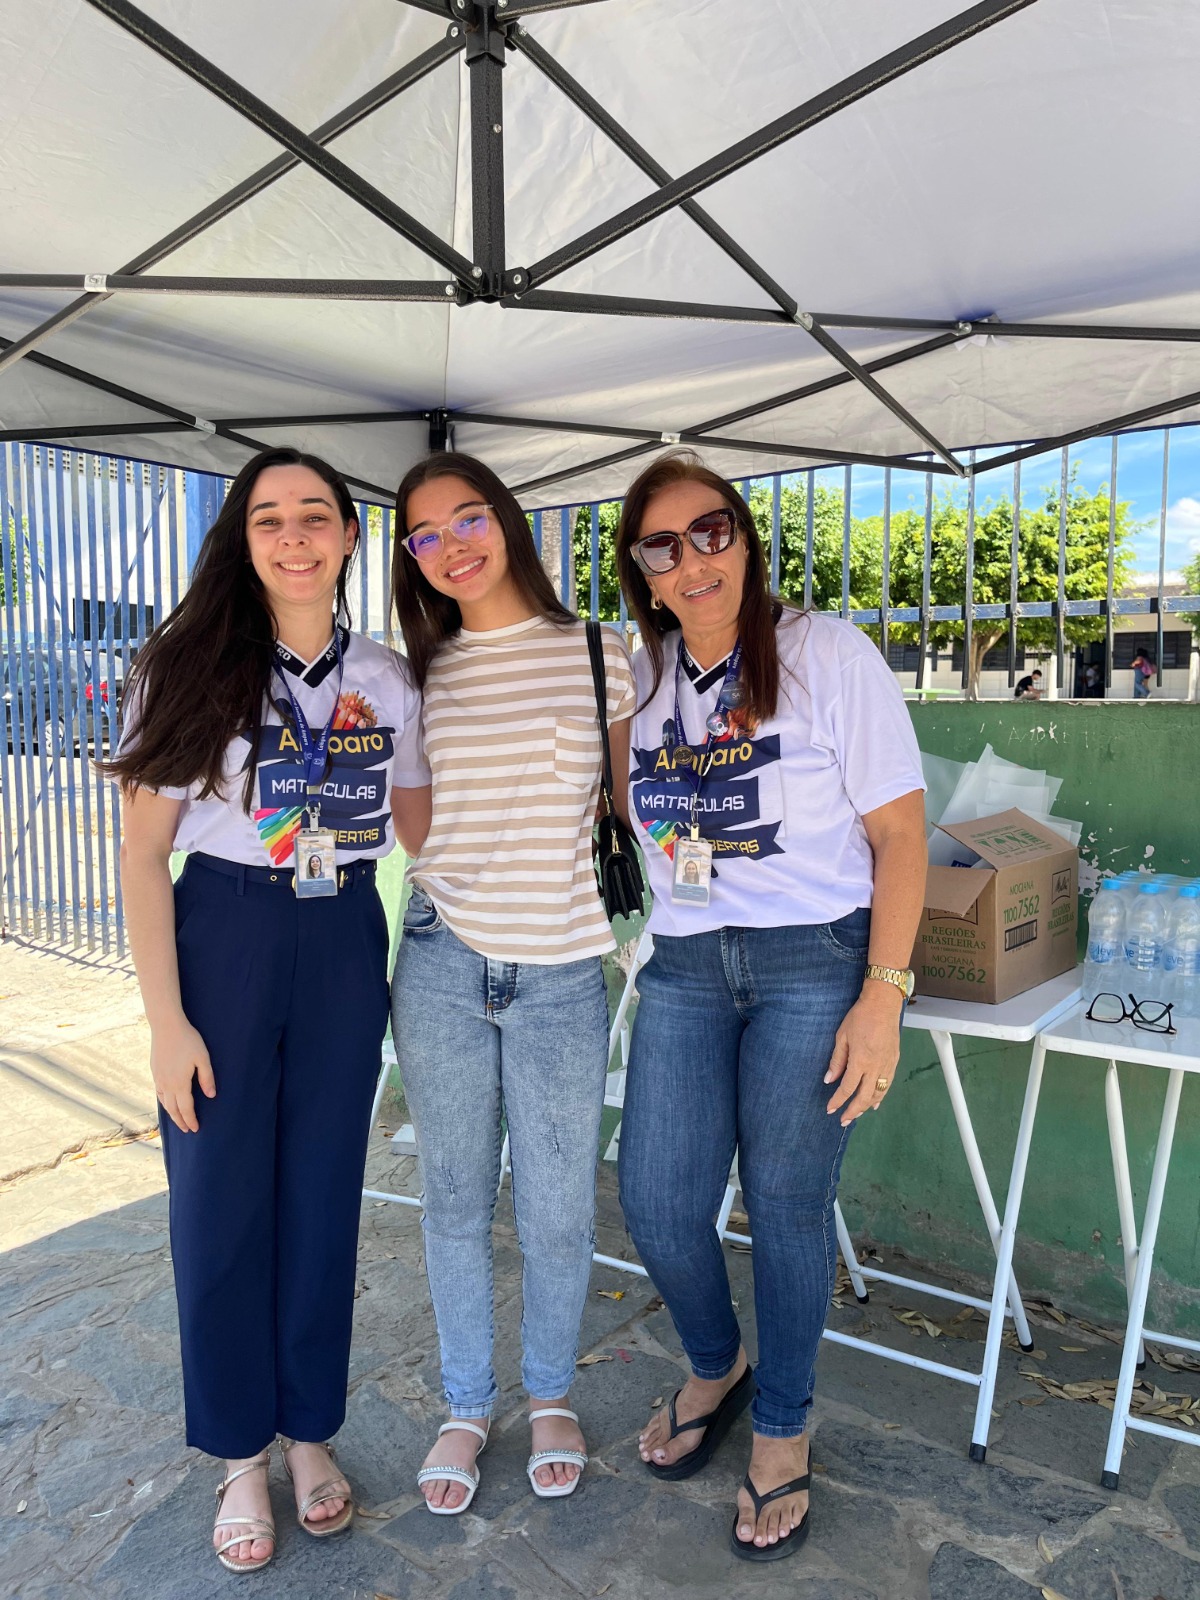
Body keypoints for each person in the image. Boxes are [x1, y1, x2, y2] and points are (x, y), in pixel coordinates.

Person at [111, 448, 431, 1574]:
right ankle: (240, 1452)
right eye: (268, 520)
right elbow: (142, 855)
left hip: (342, 935)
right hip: (227, 937)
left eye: (315, 516)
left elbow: (424, 826)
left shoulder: (388, 678)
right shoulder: (187, 666)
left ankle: (308, 1433)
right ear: (242, 542)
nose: (294, 537)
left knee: (322, 1198)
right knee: (219, 1202)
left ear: (349, 535)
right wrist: (167, 1022)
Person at [613, 453, 927, 1564]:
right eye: (662, 546)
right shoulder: (643, 681)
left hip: (814, 958)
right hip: (687, 961)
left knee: (788, 1205)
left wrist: (883, 996)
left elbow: (900, 836)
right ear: (644, 573)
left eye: (712, 531)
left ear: (745, 539)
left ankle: (783, 1424)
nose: (693, 560)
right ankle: (719, 1363)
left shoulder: (827, 653)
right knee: (656, 1200)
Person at [388, 452, 636, 1514]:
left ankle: (549, 1395)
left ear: (508, 519)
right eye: (425, 534)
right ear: (410, 556)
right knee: (451, 1197)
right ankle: (464, 1402)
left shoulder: (599, 651)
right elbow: (415, 828)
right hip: (443, 956)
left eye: (468, 518)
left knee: (557, 1205)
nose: (451, 545)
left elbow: (626, 803)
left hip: (564, 965)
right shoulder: (418, 673)